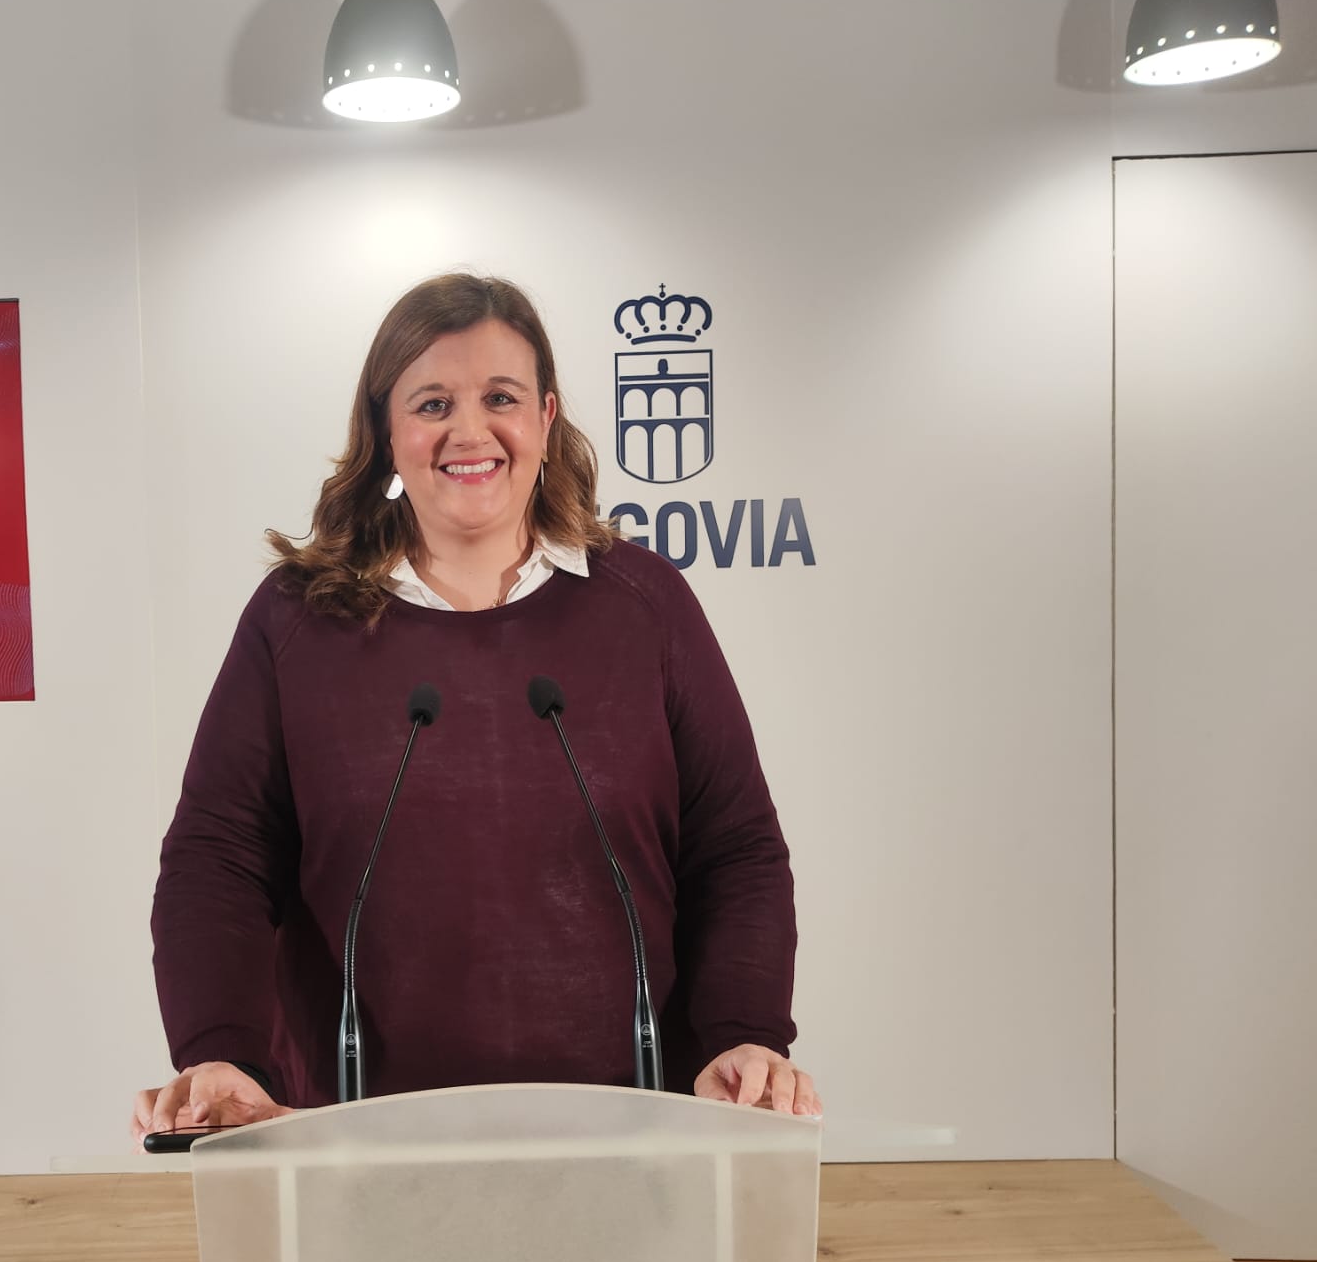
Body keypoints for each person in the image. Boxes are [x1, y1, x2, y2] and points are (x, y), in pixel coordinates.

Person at [133, 274, 816, 1145]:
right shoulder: (295, 621)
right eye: (432, 403)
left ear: (546, 418)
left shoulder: (646, 605)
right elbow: (217, 858)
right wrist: (221, 1051)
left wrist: (744, 1033)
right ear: (386, 432)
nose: (470, 431)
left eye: (501, 397)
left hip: (634, 1137)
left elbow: (736, 849)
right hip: (356, 1143)